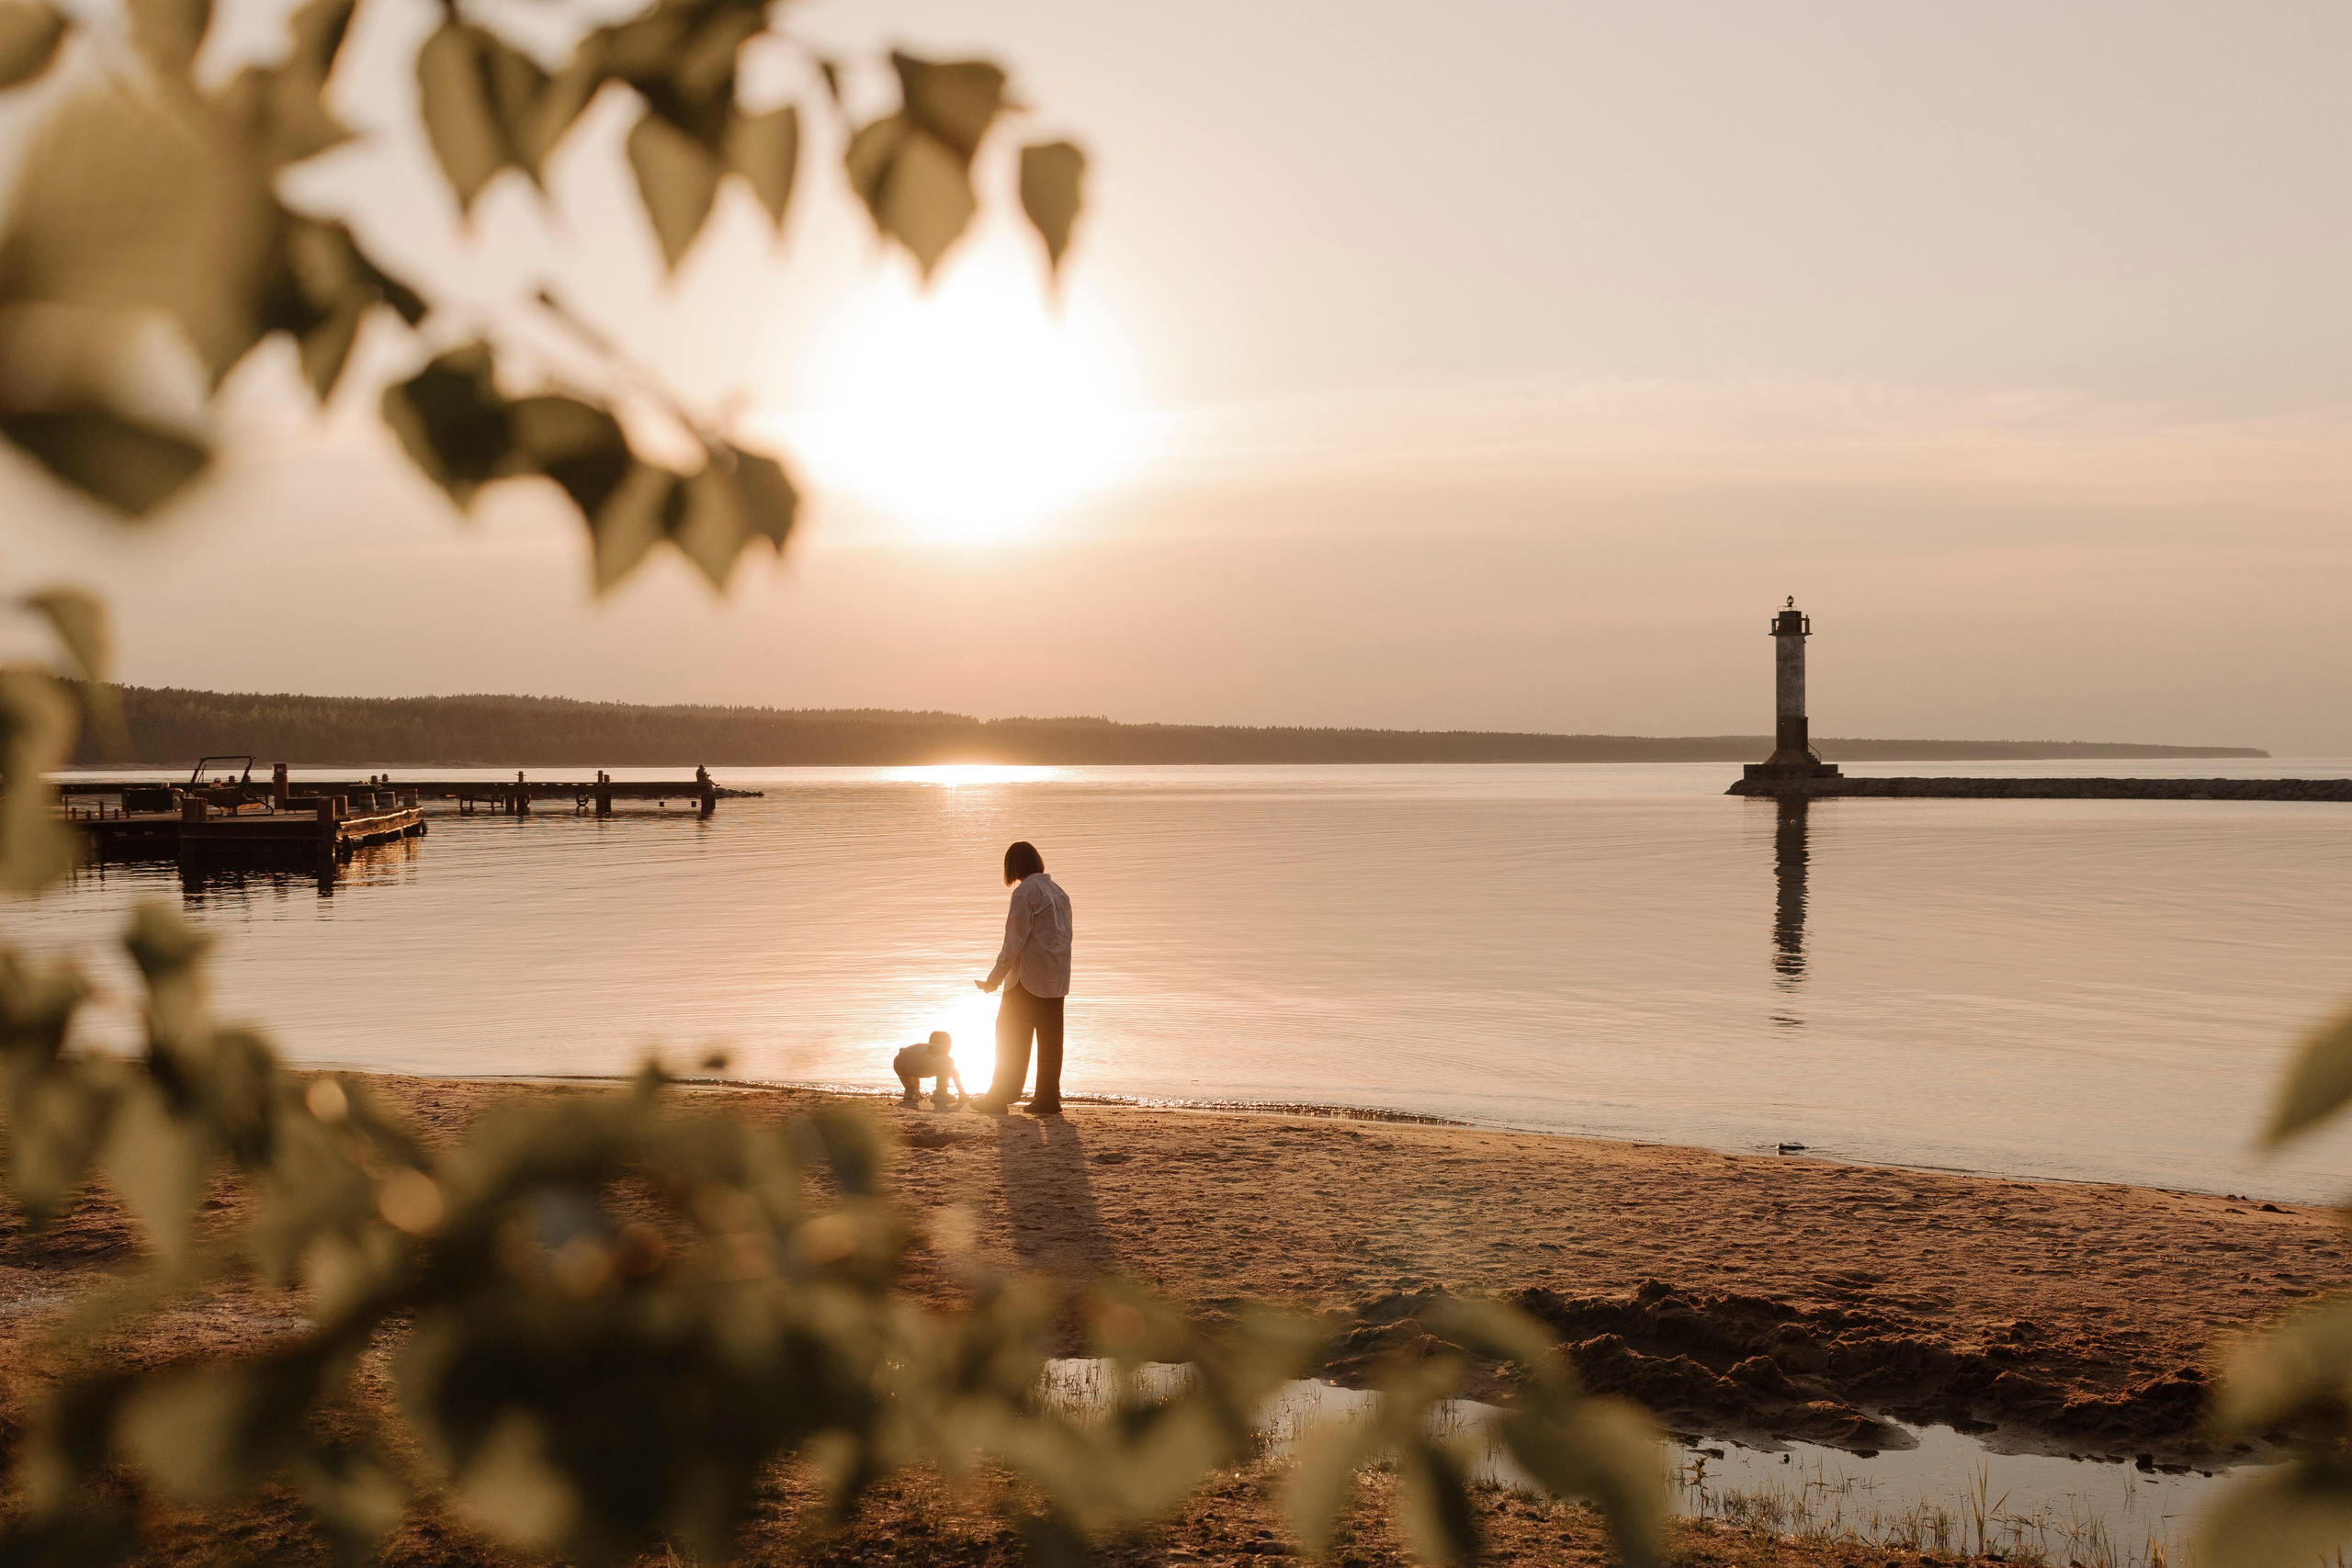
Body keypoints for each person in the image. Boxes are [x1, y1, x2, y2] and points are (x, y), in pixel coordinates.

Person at [974, 840, 1072, 1115]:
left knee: (1009, 1037)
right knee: (1051, 1042)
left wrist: (994, 978)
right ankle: (1049, 1098)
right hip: (1055, 979)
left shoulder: (1025, 892)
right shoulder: (1058, 892)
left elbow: (1014, 941)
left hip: (1027, 979)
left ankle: (1000, 1096)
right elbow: (1064, 938)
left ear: (1013, 866)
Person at [892, 1031, 965, 1110]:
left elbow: (915, 1069)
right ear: (945, 1044)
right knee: (947, 1061)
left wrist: (918, 1090)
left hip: (898, 1062)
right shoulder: (937, 1048)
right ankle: (941, 1092)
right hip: (915, 1063)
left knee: (910, 1068)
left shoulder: (921, 1049)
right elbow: (953, 1071)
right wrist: (962, 1092)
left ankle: (910, 1091)